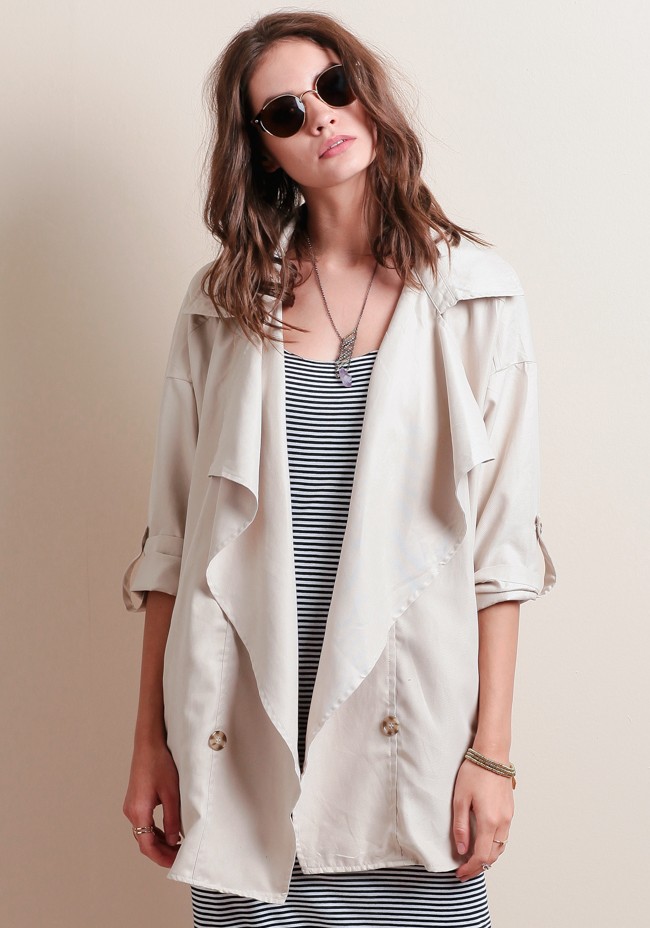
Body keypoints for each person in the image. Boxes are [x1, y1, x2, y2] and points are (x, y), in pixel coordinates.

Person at [121, 10, 557, 928]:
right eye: (284, 112)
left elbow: (501, 555)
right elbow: (173, 547)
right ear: (262, 150)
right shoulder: (220, 307)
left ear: (366, 93)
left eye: (332, 86)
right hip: (243, 739)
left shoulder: (478, 298)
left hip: (410, 743)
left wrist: (492, 754)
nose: (318, 115)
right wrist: (147, 744)